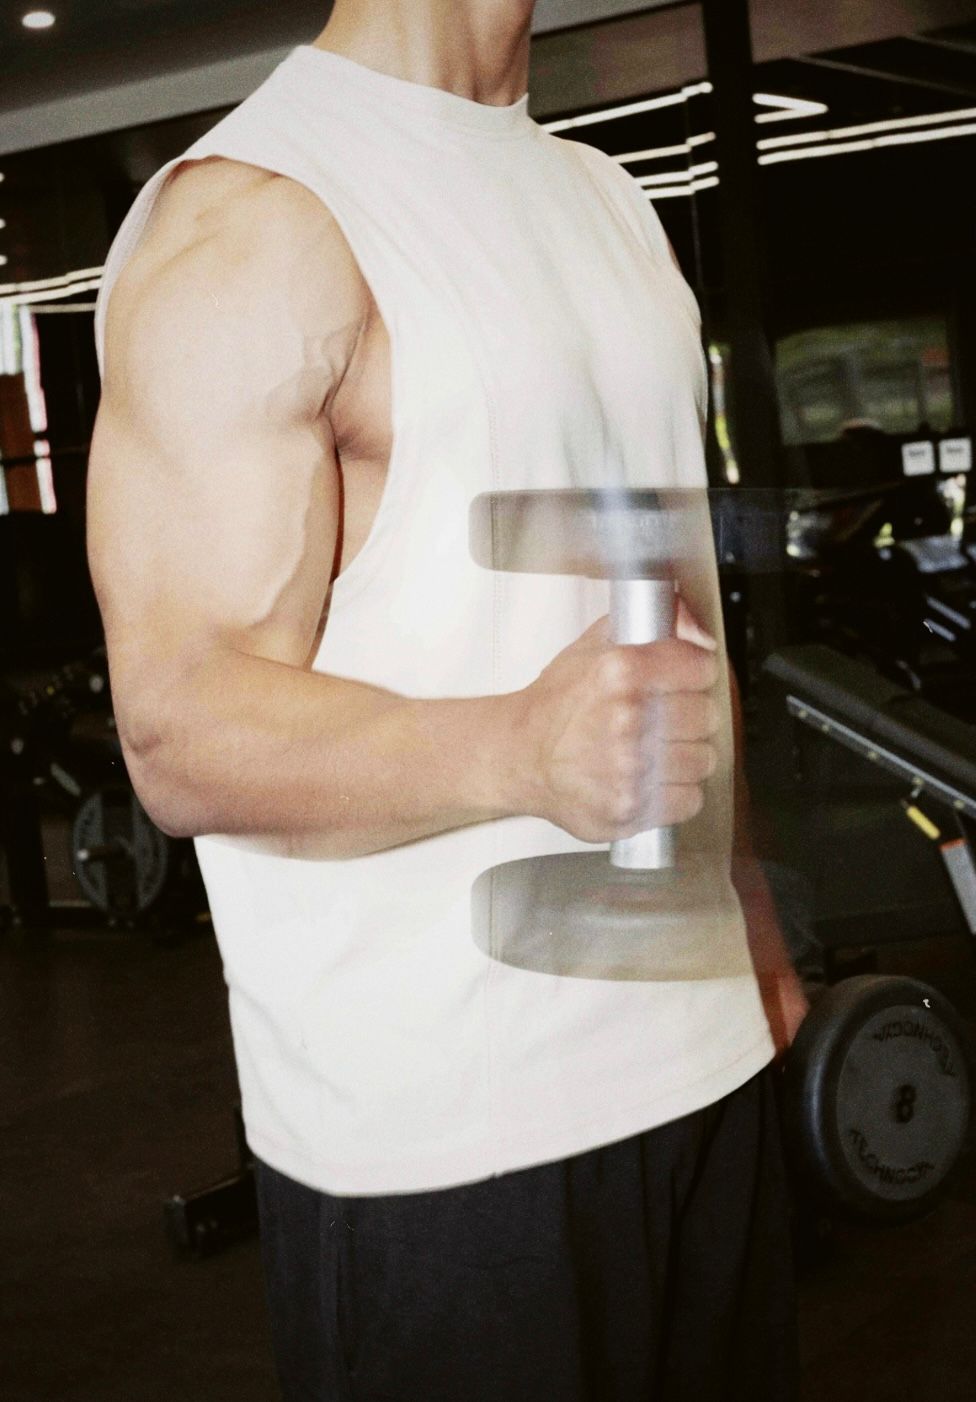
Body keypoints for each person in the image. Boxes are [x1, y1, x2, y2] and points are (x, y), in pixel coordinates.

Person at [88, 1, 809, 1396]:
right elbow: (177, 725)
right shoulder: (256, 217)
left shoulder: (607, 200)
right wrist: (520, 747)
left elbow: (670, 619)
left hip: (699, 1064)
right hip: (449, 1145)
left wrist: (749, 917)